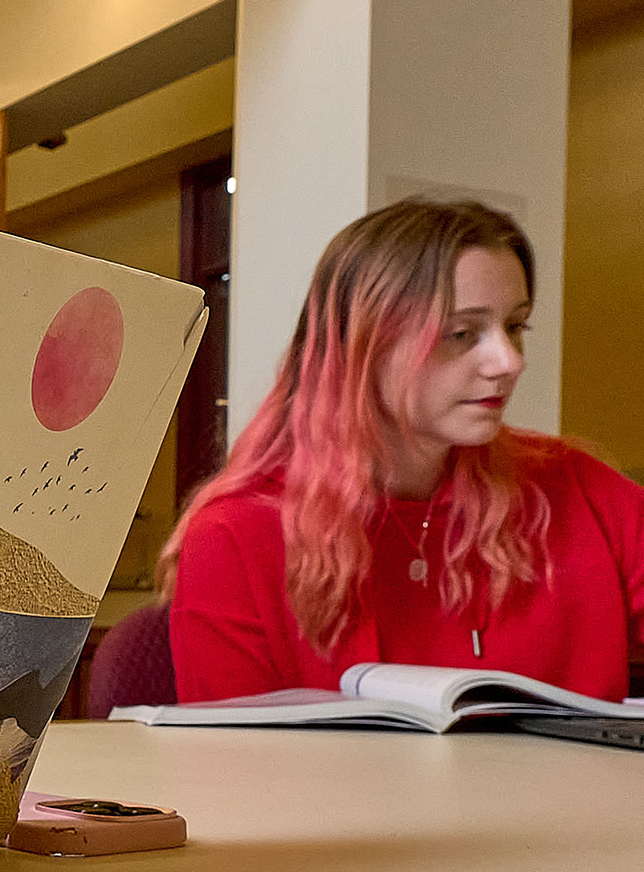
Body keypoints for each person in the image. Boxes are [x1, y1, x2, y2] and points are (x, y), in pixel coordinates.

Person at [160, 198, 644, 703]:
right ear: (363, 345)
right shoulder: (235, 535)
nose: (508, 361)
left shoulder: (574, 485)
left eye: (515, 326)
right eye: (462, 334)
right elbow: (228, 772)